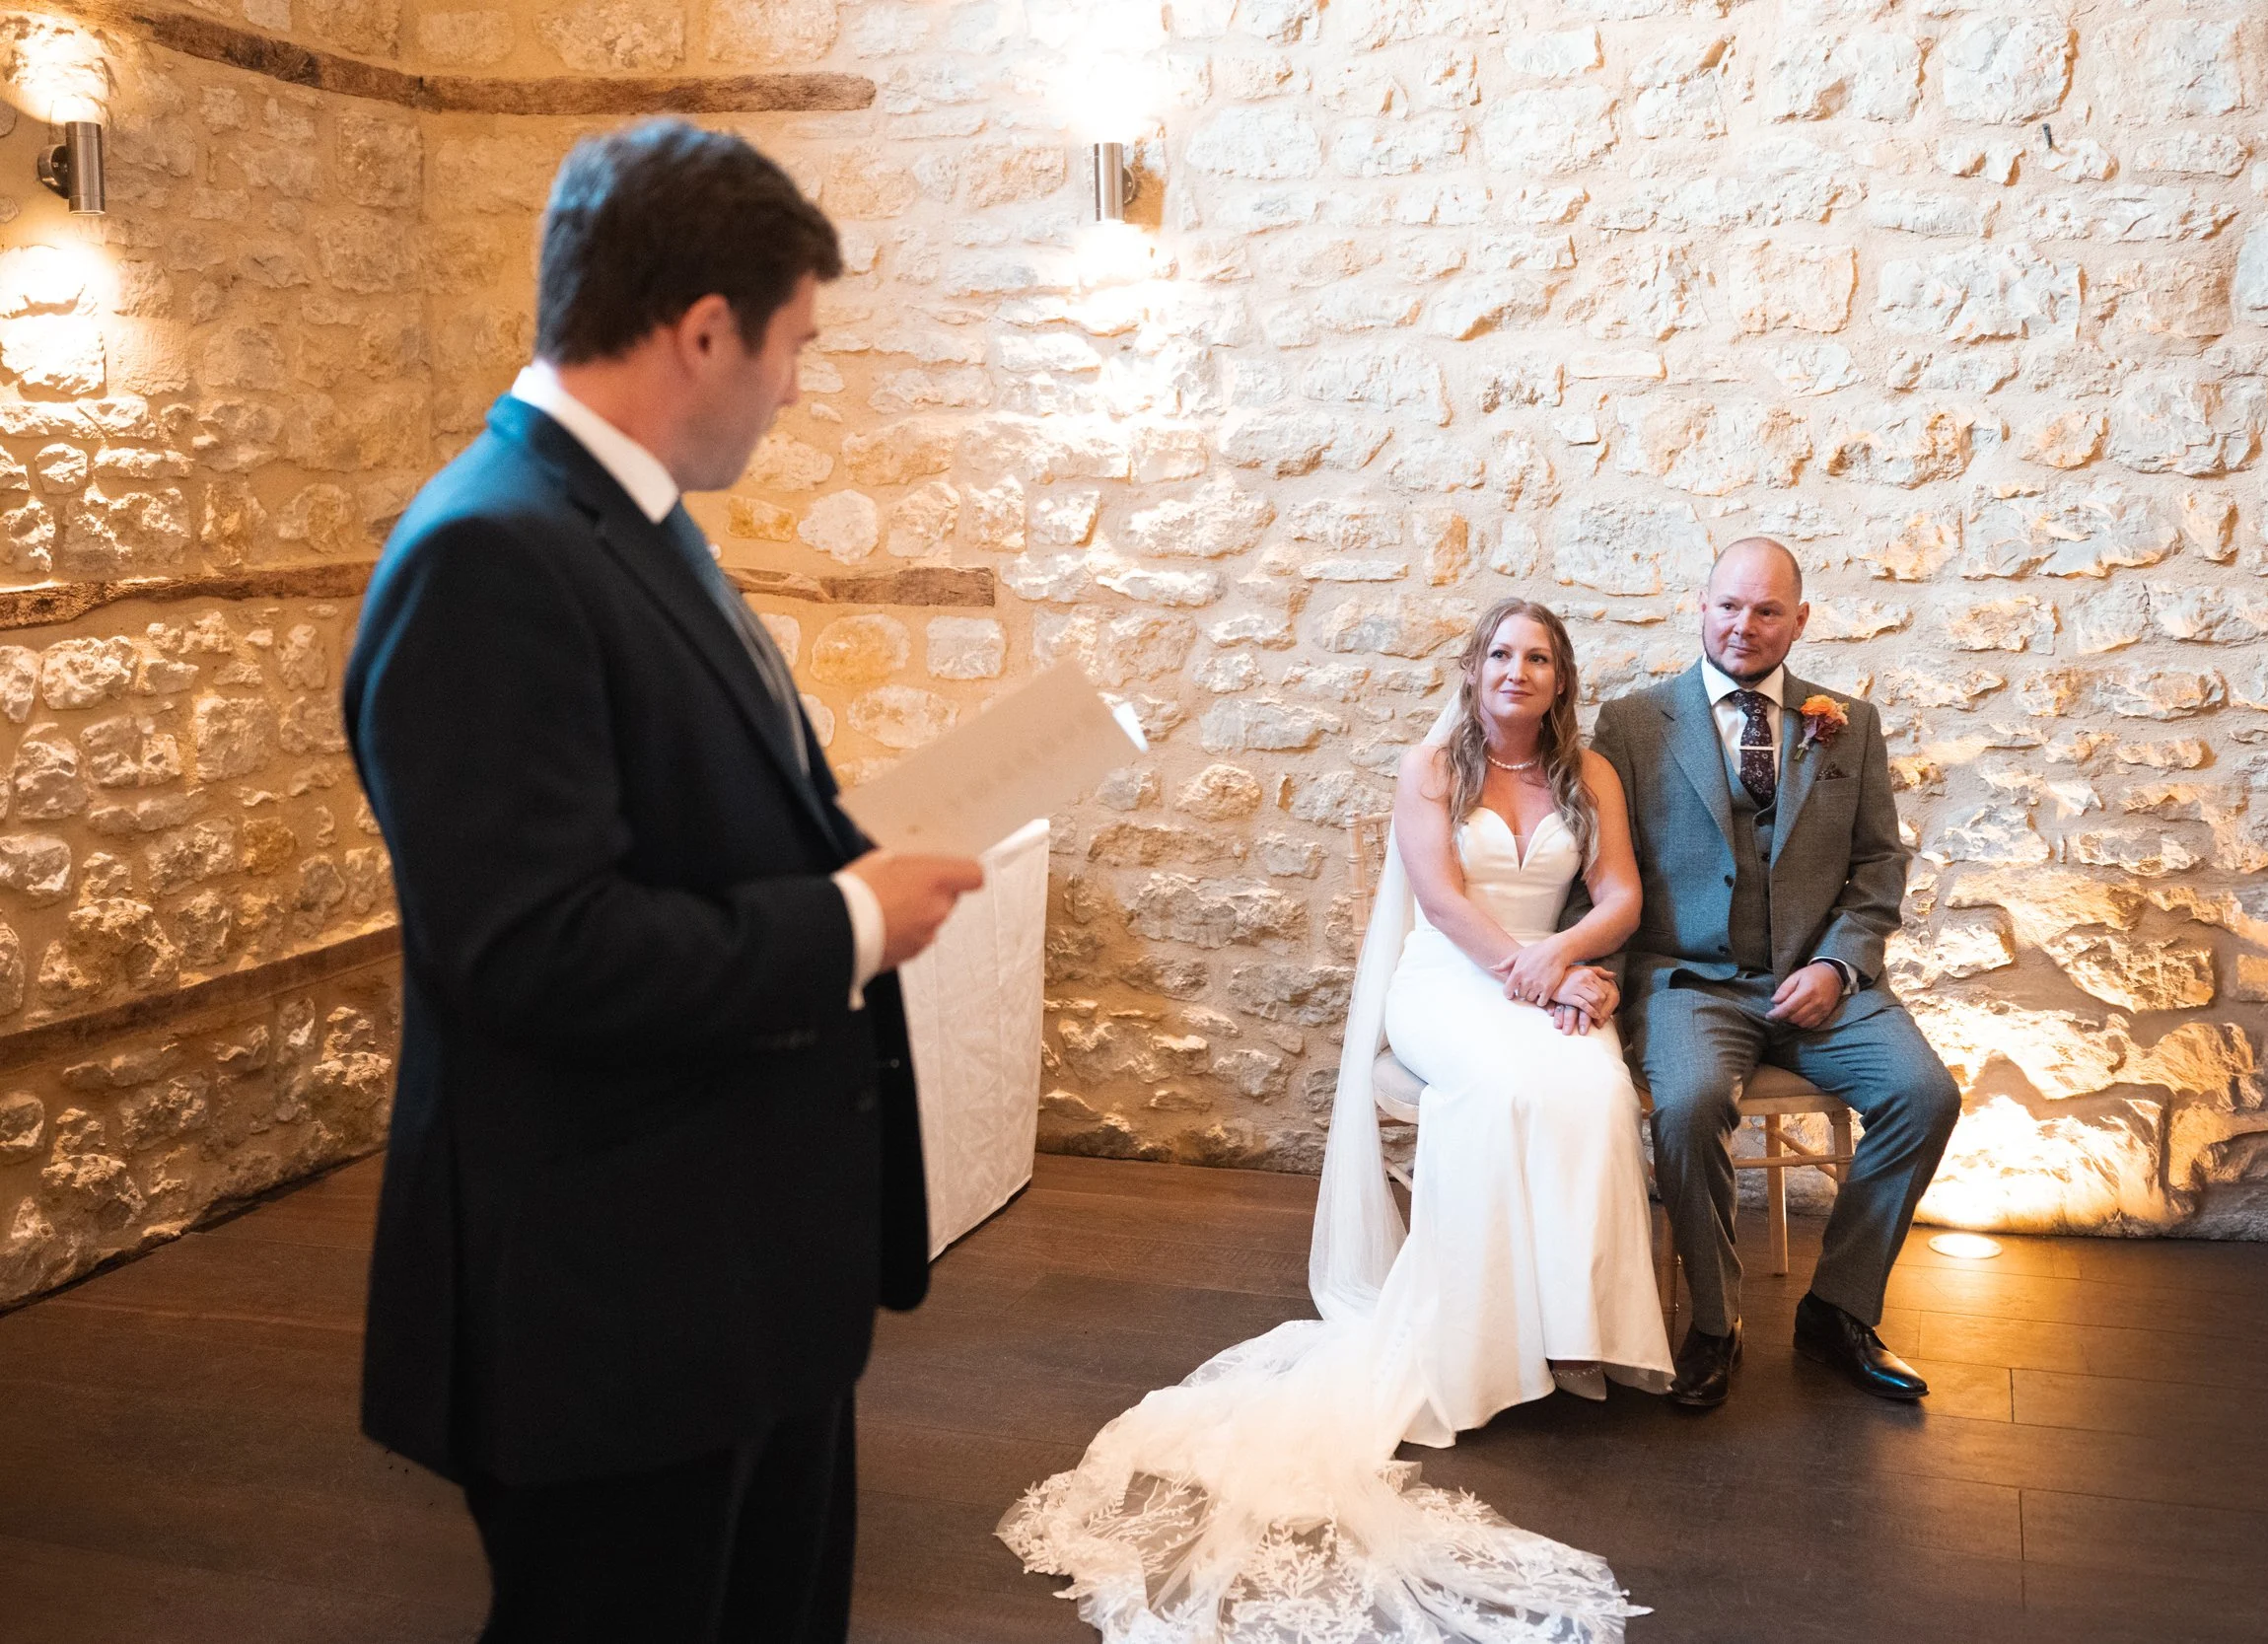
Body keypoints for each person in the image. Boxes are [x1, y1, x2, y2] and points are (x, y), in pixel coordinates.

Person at [343, 120, 983, 1642]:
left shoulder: (622, 520)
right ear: (705, 331)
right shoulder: (488, 553)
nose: (798, 387)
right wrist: (848, 917)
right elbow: (531, 947)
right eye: (796, 345)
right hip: (612, 1308)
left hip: (731, 1276)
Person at [1000, 600, 1671, 1640]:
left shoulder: (1590, 774)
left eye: (1537, 656)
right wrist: (1529, 970)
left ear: (1560, 676)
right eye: (1501, 652)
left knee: (1593, 1090)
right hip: (1452, 980)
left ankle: (1576, 1333)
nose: (1517, 670)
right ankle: (1482, 1347)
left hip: (1541, 971)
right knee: (1497, 1091)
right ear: (1472, 666)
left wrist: (1574, 960)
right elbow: (1443, 902)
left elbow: (1620, 892)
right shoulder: (1430, 767)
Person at [1587, 536, 1962, 1410]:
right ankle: (1716, 1321)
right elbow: (1604, 870)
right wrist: (1595, 975)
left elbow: (1878, 870)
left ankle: (1837, 1309)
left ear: (1800, 618)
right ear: (1701, 605)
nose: (1744, 626)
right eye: (1729, 606)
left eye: (1766, 610)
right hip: (1690, 982)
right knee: (1685, 1106)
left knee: (1925, 1094)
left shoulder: (1849, 722)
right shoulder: (1633, 724)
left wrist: (1838, 963)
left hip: (1819, 984)